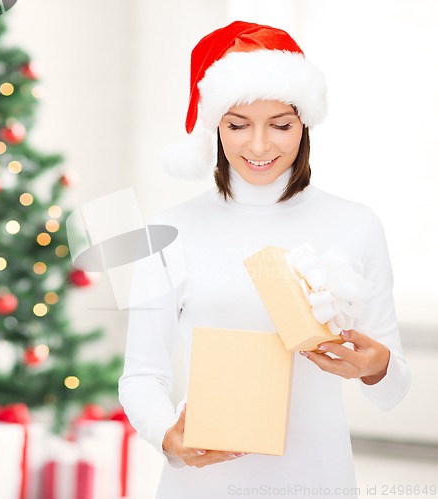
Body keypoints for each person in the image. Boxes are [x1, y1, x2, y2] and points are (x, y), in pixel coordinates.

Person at [118, 21, 411, 499]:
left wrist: (376, 368)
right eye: (237, 125)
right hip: (203, 481)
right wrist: (166, 434)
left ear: (304, 124)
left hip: (317, 479)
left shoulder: (355, 224)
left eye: (280, 125)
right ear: (213, 125)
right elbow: (142, 374)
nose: (259, 146)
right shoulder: (169, 231)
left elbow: (392, 389)